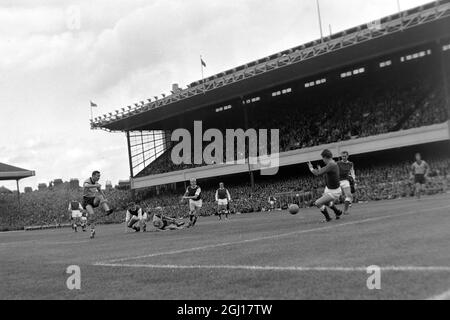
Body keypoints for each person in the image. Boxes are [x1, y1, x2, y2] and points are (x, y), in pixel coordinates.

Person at [308, 149, 343, 222]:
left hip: (334, 191)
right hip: (330, 188)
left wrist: (311, 168)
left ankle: (328, 218)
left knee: (318, 203)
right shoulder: (332, 164)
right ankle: (337, 212)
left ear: (325, 157)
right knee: (326, 202)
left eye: (323, 158)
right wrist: (321, 170)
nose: (323, 160)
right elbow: (326, 174)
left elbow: (317, 173)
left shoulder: (331, 164)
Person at [82, 171, 115, 239]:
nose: (99, 177)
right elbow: (86, 186)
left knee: (100, 196)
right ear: (93, 176)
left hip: (93, 200)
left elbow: (100, 191)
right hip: (86, 200)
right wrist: (95, 185)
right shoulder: (87, 181)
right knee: (92, 214)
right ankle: (92, 231)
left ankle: (107, 210)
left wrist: (105, 198)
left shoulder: (96, 183)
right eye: (97, 176)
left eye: (99, 176)